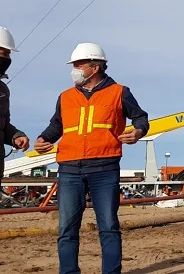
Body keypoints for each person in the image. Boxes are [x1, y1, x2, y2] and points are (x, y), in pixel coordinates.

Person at [34, 42, 149, 274]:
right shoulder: (65, 97)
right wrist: (42, 139)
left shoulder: (120, 92)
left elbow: (141, 119)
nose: (74, 69)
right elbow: (56, 126)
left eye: (78, 64)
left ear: (94, 67)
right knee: (66, 228)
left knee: (108, 226)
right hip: (68, 168)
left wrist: (137, 132)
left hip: (104, 167)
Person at [0, 26, 30, 183]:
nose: (4, 59)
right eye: (1, 53)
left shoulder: (3, 90)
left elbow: (3, 126)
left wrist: (15, 136)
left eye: (7, 55)